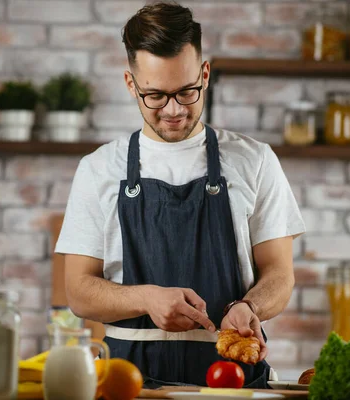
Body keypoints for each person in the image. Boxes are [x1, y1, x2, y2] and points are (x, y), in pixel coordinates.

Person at [55, 1, 305, 388]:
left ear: (205, 74)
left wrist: (249, 305)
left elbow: (280, 274)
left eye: (187, 92)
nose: (173, 110)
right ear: (130, 84)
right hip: (129, 384)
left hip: (233, 383)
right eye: (155, 95)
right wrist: (146, 299)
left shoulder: (255, 160)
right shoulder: (99, 168)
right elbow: (79, 292)